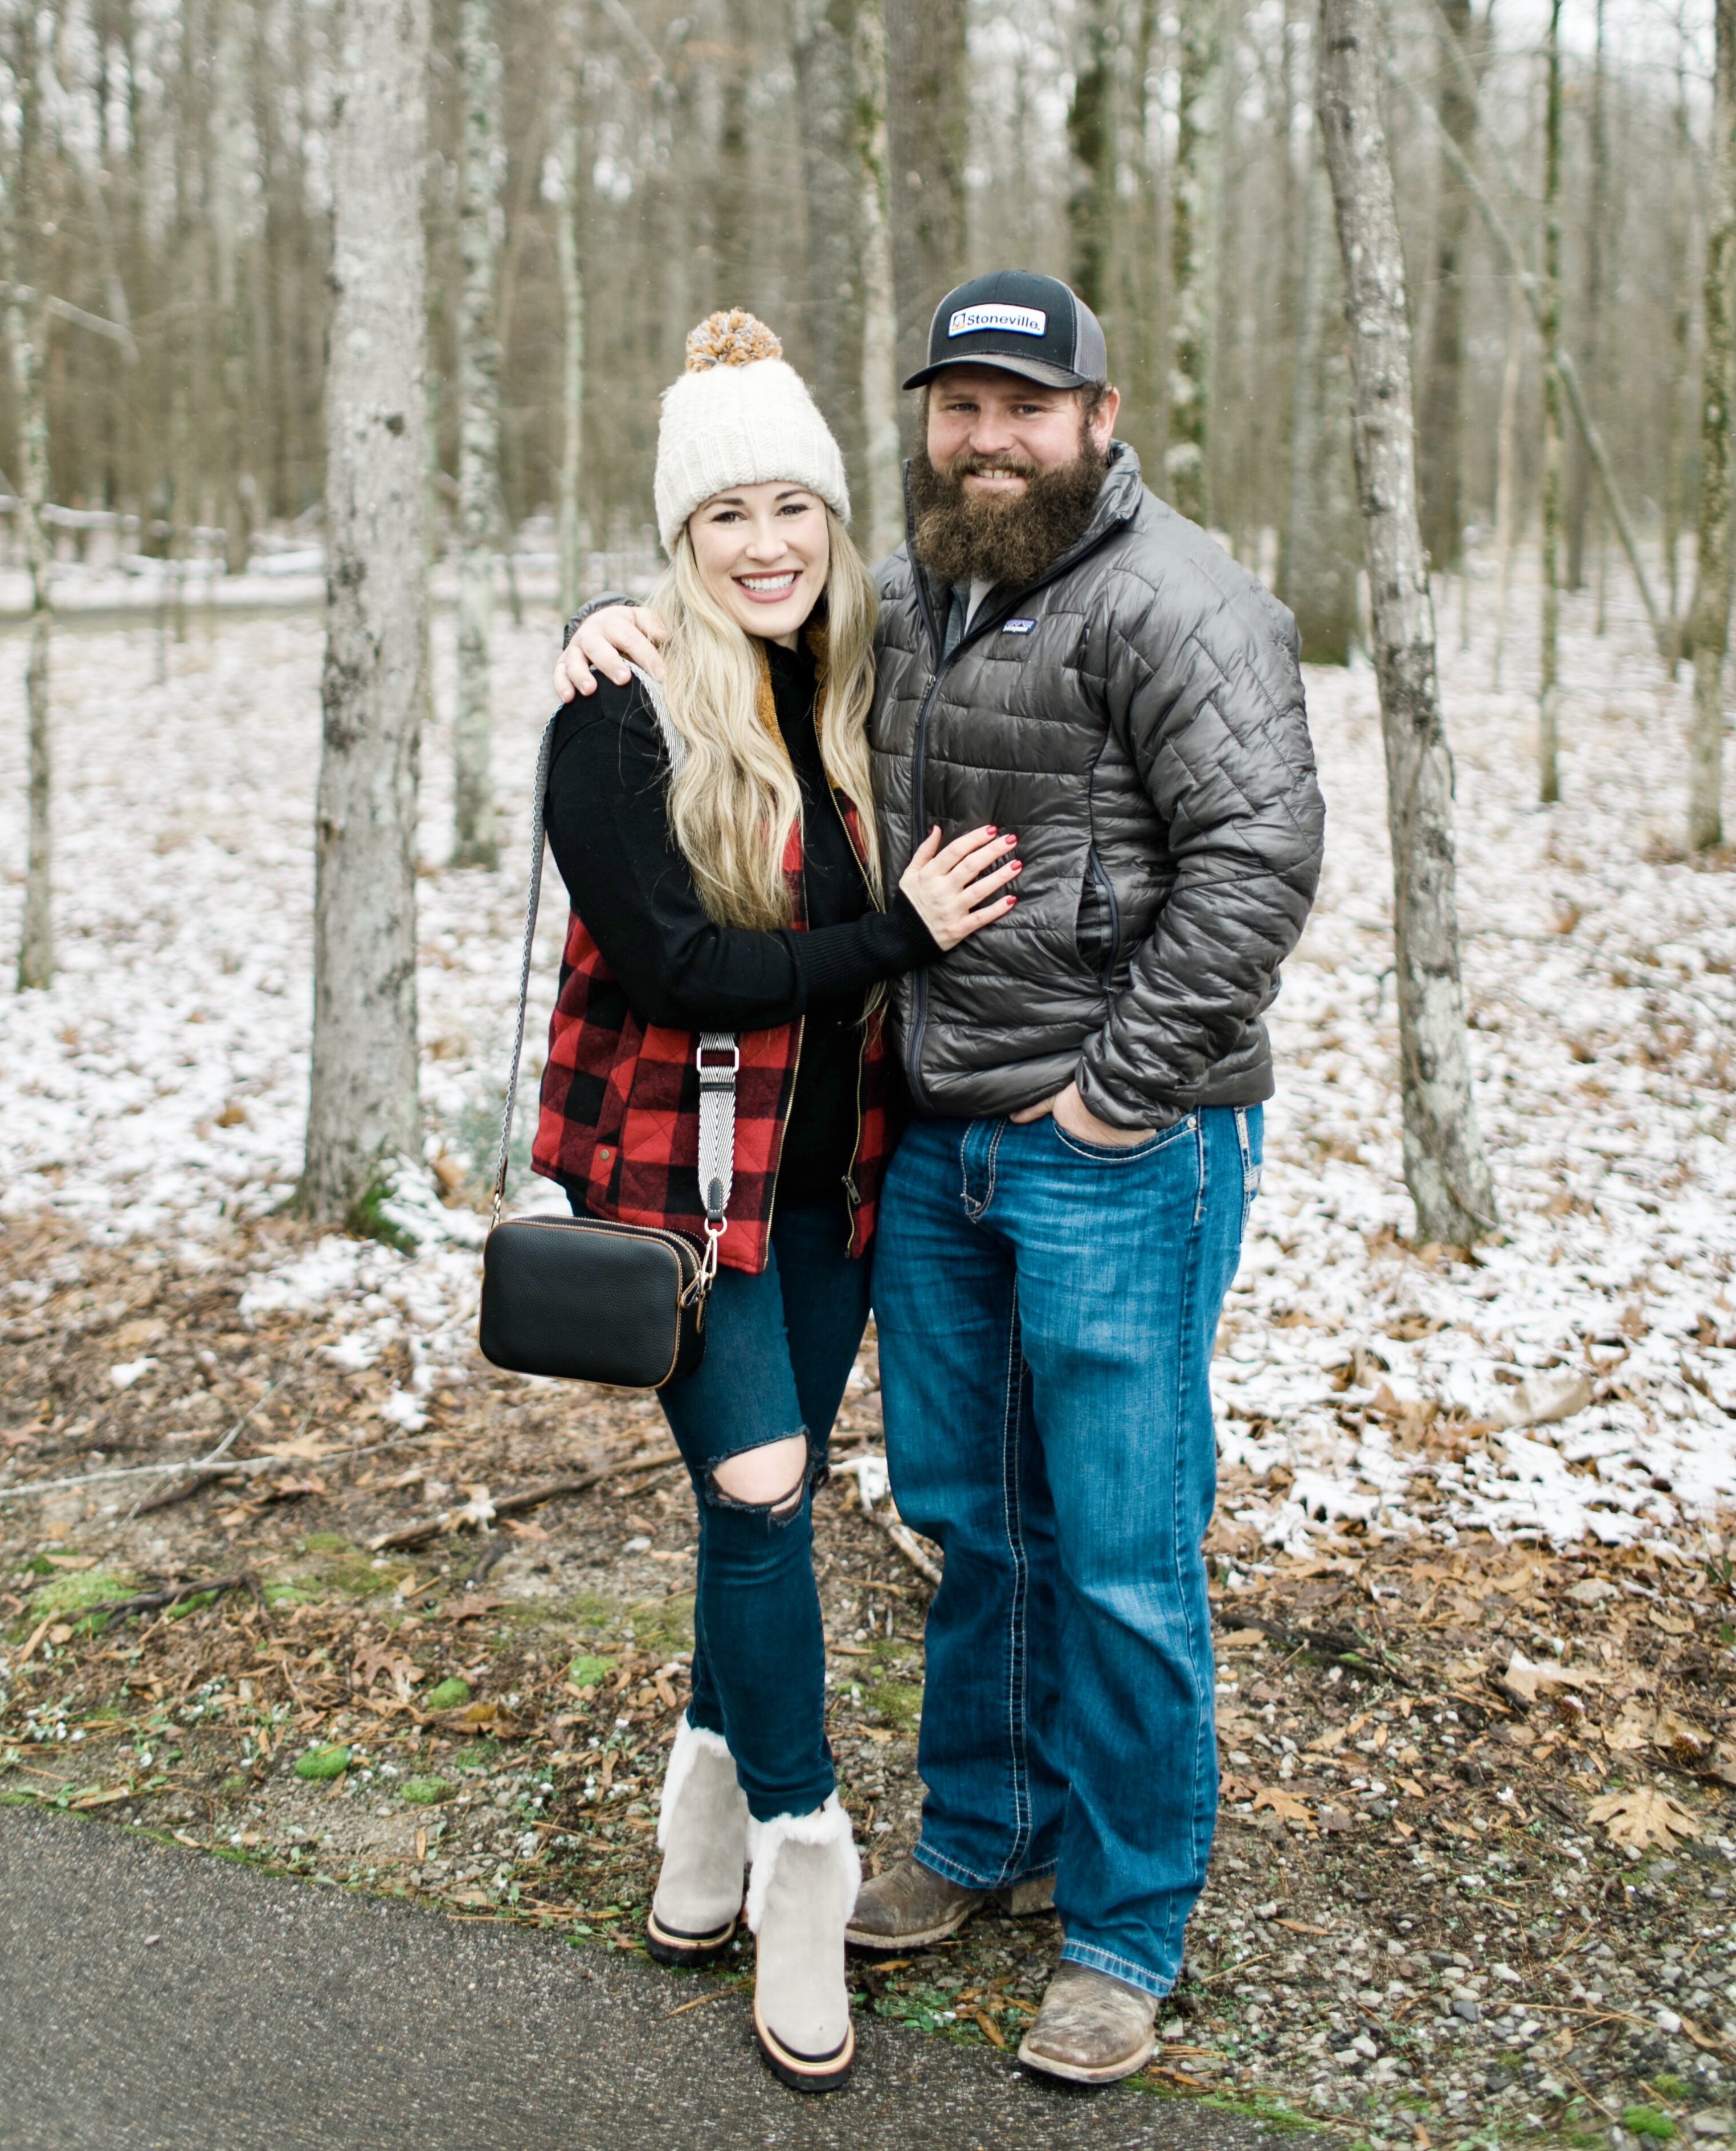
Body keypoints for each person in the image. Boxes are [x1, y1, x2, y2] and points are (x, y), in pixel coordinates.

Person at [556, 268, 1326, 2088]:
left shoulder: (1184, 605)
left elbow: (1257, 865)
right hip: (935, 1147)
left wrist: (1115, 1103)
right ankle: (984, 1837)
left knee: (1122, 1550)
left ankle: (1127, 1930)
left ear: (1100, 418)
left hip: (1120, 1147)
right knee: (976, 1520)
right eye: (958, 406)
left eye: (1026, 406)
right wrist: (609, 617)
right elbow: (742, 592)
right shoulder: (912, 591)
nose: (988, 439)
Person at [534, 308, 1015, 2093]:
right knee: (758, 1492)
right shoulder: (621, 711)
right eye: (724, 513)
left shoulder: (850, 690)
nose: (766, 544)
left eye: (793, 507)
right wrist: (902, 934)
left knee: (774, 1512)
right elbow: (672, 965)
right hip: (683, 1196)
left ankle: (696, 1837)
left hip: (834, 1200)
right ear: (678, 539)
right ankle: (800, 1870)